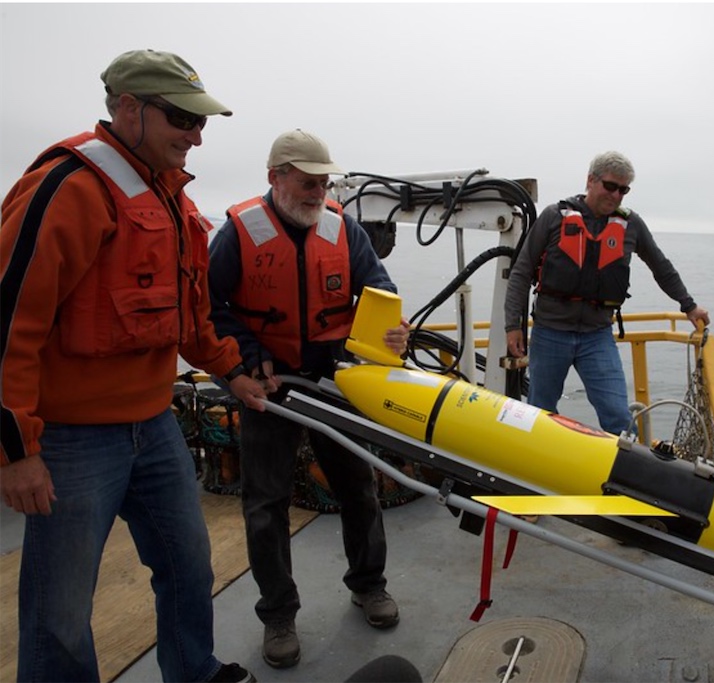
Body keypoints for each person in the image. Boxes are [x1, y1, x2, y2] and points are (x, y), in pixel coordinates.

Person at [0, 49, 267, 682]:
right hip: (69, 441)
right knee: (59, 609)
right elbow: (9, 321)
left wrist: (232, 371)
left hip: (154, 424)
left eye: (201, 122)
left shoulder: (171, 201)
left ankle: (194, 671)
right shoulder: (66, 188)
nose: (195, 135)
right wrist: (16, 451)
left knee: (188, 565)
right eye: (181, 118)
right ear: (128, 109)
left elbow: (189, 317)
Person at [207, 129, 409, 670]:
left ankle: (369, 585)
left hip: (334, 380)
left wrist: (393, 328)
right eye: (306, 182)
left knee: (358, 489)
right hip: (270, 388)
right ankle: (278, 614)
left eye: (323, 182)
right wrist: (247, 355)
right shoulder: (238, 233)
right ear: (275, 178)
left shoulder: (343, 229)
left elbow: (377, 288)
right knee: (265, 505)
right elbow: (211, 303)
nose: (318, 191)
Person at [504, 151, 711, 436]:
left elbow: (660, 267)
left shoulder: (631, 225)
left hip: (596, 335)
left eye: (623, 190)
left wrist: (689, 306)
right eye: (610, 186)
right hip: (550, 332)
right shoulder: (554, 216)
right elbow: (521, 270)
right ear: (591, 180)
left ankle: (624, 475)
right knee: (541, 412)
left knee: (618, 418)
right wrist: (512, 325)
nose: (615, 195)